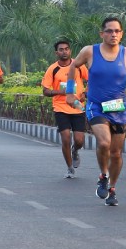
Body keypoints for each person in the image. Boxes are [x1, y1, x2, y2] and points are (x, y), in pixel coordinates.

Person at [66, 17, 126, 206]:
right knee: (104, 143)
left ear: (121, 34)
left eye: (117, 31)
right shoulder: (90, 51)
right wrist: (70, 92)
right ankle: (103, 175)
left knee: (117, 153)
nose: (113, 34)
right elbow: (73, 66)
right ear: (102, 33)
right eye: (109, 31)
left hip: (118, 108)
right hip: (96, 106)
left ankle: (112, 188)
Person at [42, 38, 88, 178]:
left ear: (70, 50)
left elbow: (91, 79)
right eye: (61, 49)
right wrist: (60, 92)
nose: (64, 51)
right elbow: (45, 91)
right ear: (56, 53)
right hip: (60, 107)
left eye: (66, 49)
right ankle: (69, 168)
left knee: (79, 140)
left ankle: (75, 151)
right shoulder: (53, 69)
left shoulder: (79, 65)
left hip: (77, 107)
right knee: (66, 137)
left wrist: (85, 93)